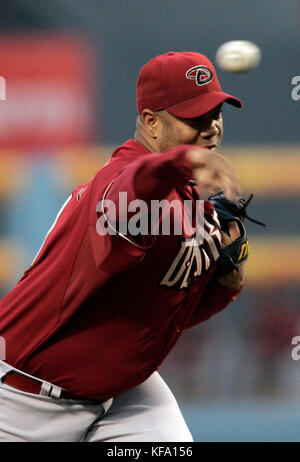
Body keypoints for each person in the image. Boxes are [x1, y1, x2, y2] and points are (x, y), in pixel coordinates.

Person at [0, 51, 245, 442]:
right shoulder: (121, 184)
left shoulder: (190, 203)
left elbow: (157, 313)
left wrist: (223, 287)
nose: (212, 128)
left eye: (216, 114)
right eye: (194, 119)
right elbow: (134, 187)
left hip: (125, 391)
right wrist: (178, 162)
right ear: (150, 121)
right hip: (23, 396)